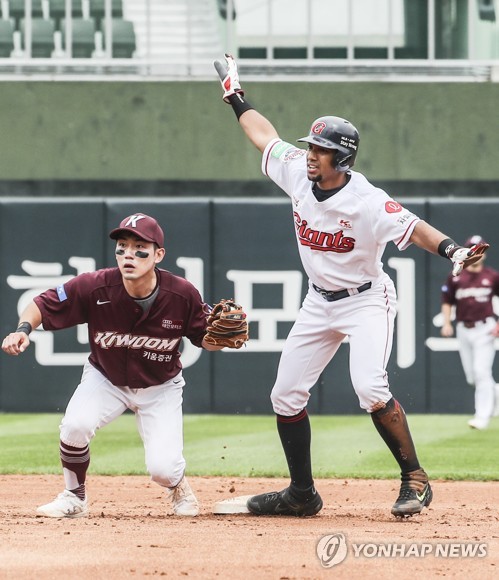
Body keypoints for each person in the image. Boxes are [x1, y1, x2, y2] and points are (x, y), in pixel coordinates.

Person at [214, 54, 489, 518]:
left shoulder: (366, 200)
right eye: (310, 146)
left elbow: (416, 226)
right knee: (285, 395)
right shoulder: (297, 172)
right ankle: (302, 494)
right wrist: (235, 96)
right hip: (318, 302)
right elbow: (264, 135)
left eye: (319, 150)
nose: (309, 155)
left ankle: (415, 480)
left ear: (341, 157)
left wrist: (453, 251)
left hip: (366, 301)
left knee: (369, 387)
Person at [1, 212, 234, 519]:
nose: (129, 255)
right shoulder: (95, 286)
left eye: (140, 249)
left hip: (160, 386)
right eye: (122, 247)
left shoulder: (182, 293)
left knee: (163, 469)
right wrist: (23, 330)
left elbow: (205, 339)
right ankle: (74, 496)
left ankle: (178, 486)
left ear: (158, 255)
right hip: (106, 378)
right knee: (74, 426)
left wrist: (222, 339)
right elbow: (41, 304)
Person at [440, 235, 499, 430]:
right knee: (472, 377)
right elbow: (447, 300)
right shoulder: (456, 275)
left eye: (479, 249)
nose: (476, 253)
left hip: (485, 328)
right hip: (464, 329)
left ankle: (481, 417)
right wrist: (447, 322)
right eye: (472, 249)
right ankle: (495, 393)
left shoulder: (492, 276)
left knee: (481, 372)